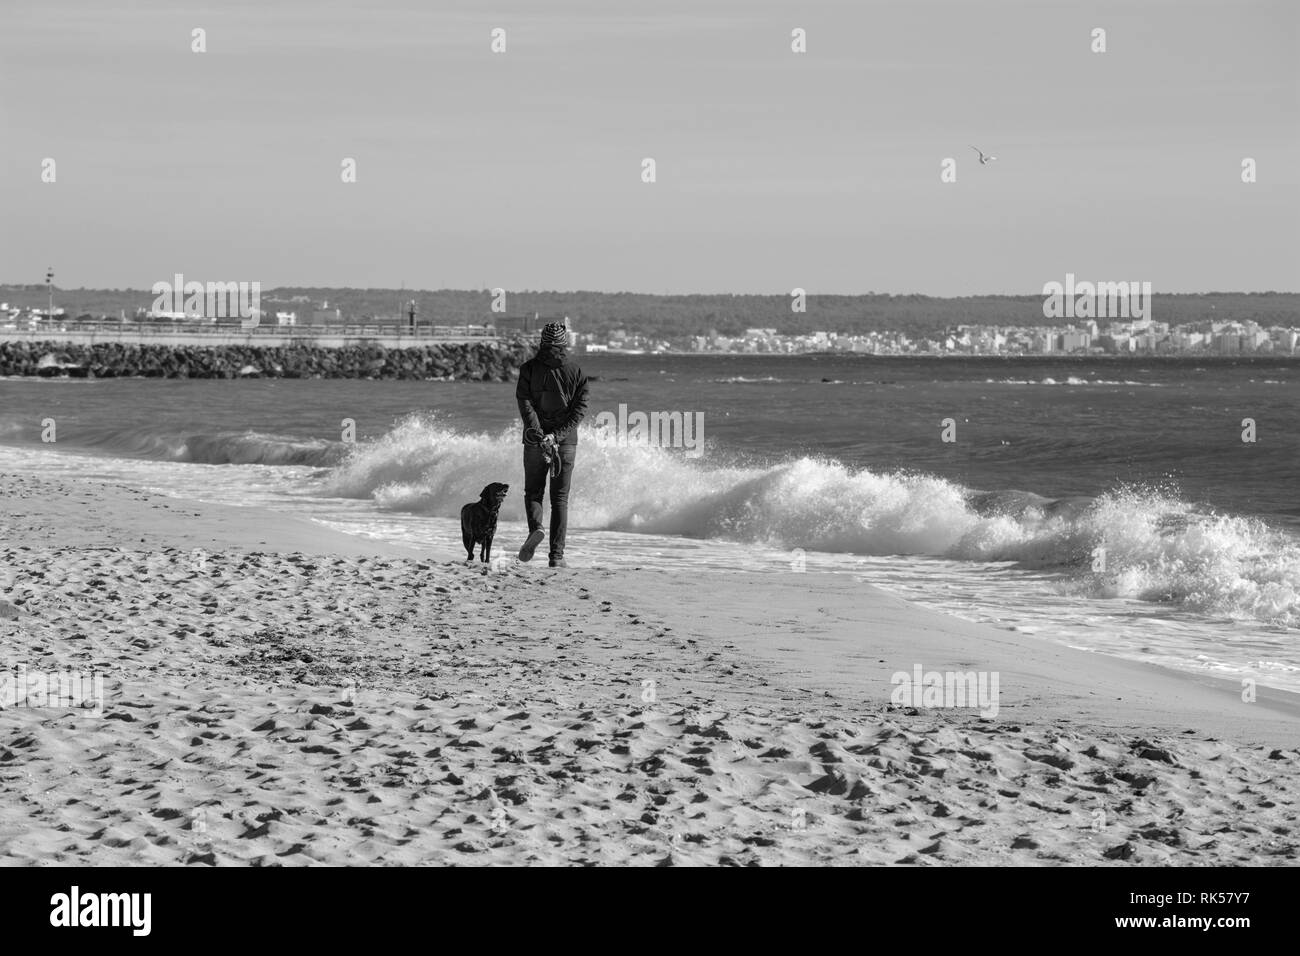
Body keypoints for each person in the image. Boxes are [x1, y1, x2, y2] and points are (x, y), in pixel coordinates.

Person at [515, 322, 589, 567]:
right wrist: (556, 436)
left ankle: (536, 528)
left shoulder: (528, 369)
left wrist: (540, 435)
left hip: (534, 442)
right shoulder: (576, 372)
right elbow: (579, 411)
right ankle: (556, 557)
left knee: (534, 492)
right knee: (560, 499)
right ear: (564, 343)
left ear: (542, 342)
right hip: (566, 443)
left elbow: (525, 405)